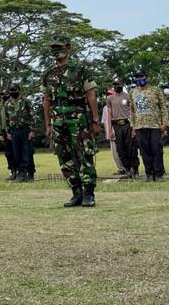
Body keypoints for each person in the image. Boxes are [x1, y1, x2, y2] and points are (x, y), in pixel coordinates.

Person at [42, 37, 99, 208]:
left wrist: (95, 119)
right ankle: (76, 193)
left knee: (84, 154)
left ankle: (89, 193)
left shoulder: (80, 69)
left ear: (68, 48)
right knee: (64, 156)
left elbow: (91, 95)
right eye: (53, 48)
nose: (55, 51)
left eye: (58, 47)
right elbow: (46, 100)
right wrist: (47, 125)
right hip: (57, 119)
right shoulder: (48, 73)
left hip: (78, 117)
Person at [128, 70, 169, 182]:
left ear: (147, 77)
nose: (139, 79)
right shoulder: (132, 92)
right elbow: (131, 111)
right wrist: (133, 126)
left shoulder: (155, 90)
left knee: (157, 150)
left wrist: (164, 123)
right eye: (136, 77)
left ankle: (159, 174)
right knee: (144, 151)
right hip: (140, 126)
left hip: (154, 125)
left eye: (141, 76)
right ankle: (149, 174)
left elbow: (163, 108)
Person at [105, 77, 139, 178]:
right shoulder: (110, 98)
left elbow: (132, 113)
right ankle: (127, 169)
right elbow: (109, 115)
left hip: (127, 124)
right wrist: (110, 129)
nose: (116, 86)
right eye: (114, 84)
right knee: (121, 148)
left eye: (118, 84)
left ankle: (135, 169)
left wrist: (134, 128)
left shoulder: (128, 96)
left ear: (122, 85)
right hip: (117, 125)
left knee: (131, 148)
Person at [2, 84, 36, 182]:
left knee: (27, 153)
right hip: (14, 131)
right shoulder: (7, 103)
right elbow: (7, 118)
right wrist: (8, 132)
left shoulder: (26, 102)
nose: (12, 92)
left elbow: (32, 116)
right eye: (10, 90)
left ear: (18, 90)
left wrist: (32, 130)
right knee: (17, 154)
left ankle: (30, 174)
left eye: (14, 90)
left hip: (25, 130)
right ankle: (20, 174)